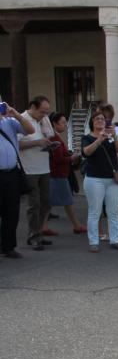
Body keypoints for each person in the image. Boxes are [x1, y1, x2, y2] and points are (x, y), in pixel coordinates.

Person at [81, 110, 118, 252]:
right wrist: (99, 139)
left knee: (113, 211)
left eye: (102, 119)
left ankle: (115, 239)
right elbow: (86, 152)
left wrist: (115, 136)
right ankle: (93, 241)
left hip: (112, 179)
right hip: (94, 179)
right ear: (92, 123)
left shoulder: (111, 137)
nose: (100, 121)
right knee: (95, 211)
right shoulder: (87, 137)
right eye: (97, 119)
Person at [18, 96, 56, 251]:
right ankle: (34, 236)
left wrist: (49, 141)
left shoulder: (43, 120)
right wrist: (36, 142)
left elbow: (49, 135)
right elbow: (18, 144)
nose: (45, 115)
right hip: (29, 169)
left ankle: (38, 232)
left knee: (46, 202)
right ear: (32, 107)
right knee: (34, 204)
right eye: (42, 112)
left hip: (44, 166)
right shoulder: (22, 119)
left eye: (47, 112)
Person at [0, 102, 35, 258]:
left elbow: (30, 130)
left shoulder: (10, 122)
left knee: (12, 211)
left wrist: (17, 115)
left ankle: (8, 247)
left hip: (12, 173)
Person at [45, 112, 85, 234]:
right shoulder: (53, 138)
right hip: (58, 174)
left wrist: (68, 155)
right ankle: (76, 226)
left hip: (57, 174)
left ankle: (43, 226)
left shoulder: (54, 137)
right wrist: (71, 158)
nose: (64, 125)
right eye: (62, 123)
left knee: (51, 202)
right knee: (67, 201)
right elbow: (58, 159)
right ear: (54, 124)